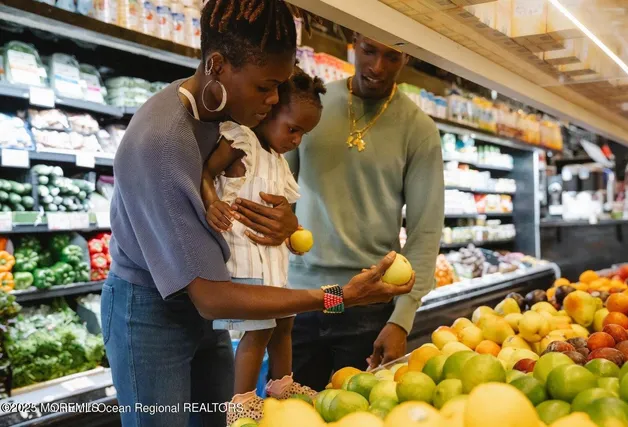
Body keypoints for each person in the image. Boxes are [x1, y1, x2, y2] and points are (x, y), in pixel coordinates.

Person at [102, 1, 415, 426]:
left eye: (281, 87)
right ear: (217, 64)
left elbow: (264, 197)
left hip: (204, 302)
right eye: (267, 86)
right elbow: (213, 298)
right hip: (150, 311)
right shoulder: (163, 143)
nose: (274, 100)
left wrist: (287, 224)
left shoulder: (234, 111)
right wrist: (341, 296)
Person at [286, 34, 444, 391]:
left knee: (357, 413)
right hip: (303, 299)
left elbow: (425, 232)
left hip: (367, 306)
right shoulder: (315, 104)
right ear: (353, 43)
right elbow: (279, 192)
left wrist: (401, 320)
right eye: (369, 51)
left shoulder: (419, 130)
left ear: (407, 58)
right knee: (288, 412)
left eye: (392, 56)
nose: (377, 67)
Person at [200, 66, 326, 424]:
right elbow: (206, 174)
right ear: (269, 110)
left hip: (273, 263)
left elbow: (286, 217)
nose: (297, 140)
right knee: (259, 329)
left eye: (304, 133)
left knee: (285, 320)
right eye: (293, 129)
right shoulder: (243, 142)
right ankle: (242, 399)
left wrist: (294, 234)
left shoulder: (279, 163)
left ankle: (282, 382)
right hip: (244, 258)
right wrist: (212, 203)